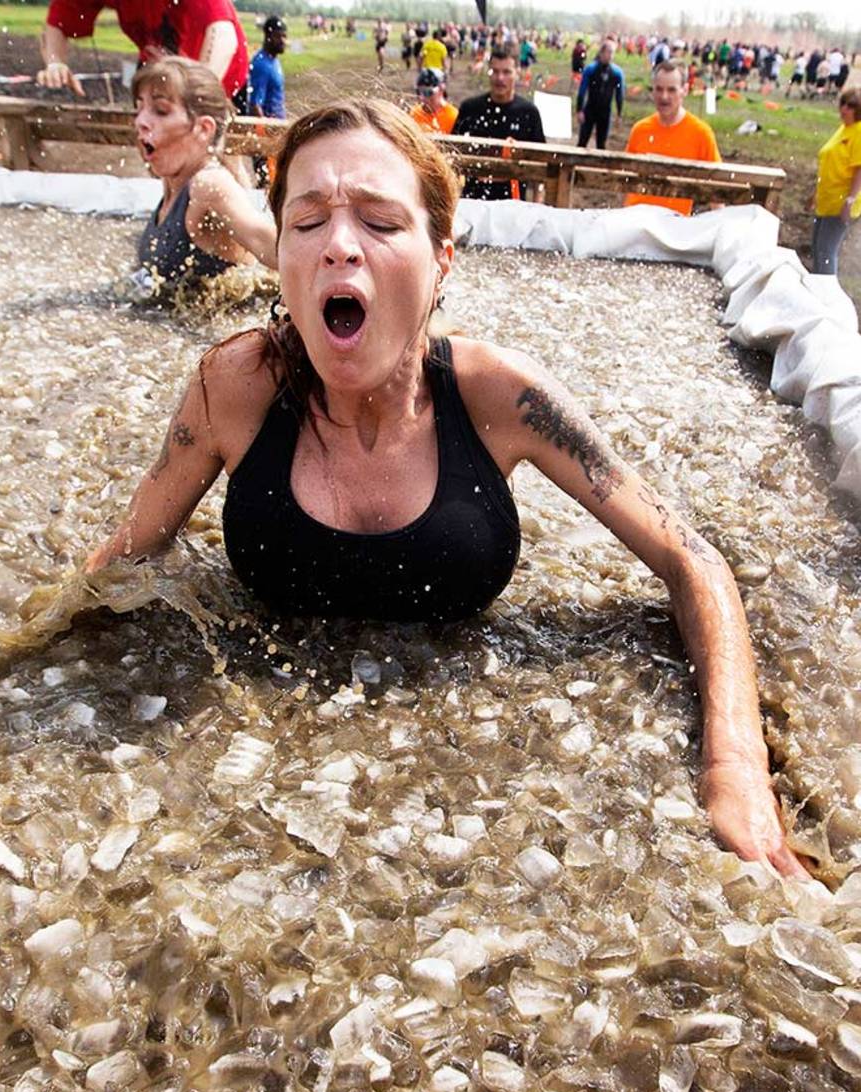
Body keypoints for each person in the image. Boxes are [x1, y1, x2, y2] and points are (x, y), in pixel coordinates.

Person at [86, 98, 809, 881]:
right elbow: (119, 562)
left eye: (380, 222)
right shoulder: (233, 386)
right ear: (281, 253)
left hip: (471, 840)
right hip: (250, 812)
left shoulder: (501, 396)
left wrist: (733, 768)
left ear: (441, 260)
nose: (338, 246)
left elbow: (691, 560)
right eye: (306, 222)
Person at [133, 57, 276, 290]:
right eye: (139, 109)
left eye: (160, 111)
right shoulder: (173, 183)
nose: (140, 121)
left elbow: (269, 244)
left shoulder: (209, 184)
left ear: (203, 128)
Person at [39, 0, 249, 110]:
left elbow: (223, 36)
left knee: (220, 156)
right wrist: (55, 62)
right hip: (157, 66)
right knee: (156, 148)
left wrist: (195, 95)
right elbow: (58, 22)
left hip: (218, 69)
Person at [624, 60, 721, 215]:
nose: (664, 96)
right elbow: (626, 181)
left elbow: (717, 190)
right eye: (659, 89)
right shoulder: (640, 130)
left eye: (671, 90)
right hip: (636, 221)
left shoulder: (701, 134)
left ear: (685, 90)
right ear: (652, 91)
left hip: (675, 228)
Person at [451, 44, 546, 202]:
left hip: (512, 204)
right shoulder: (470, 109)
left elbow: (541, 167)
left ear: (517, 73)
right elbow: (452, 159)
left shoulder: (529, 113)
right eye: (495, 71)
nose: (500, 78)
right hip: (473, 203)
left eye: (506, 72)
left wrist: (538, 207)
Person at [812, 88, 861, 276]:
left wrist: (850, 199)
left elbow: (859, 169)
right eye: (843, 103)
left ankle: (826, 292)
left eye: (851, 106)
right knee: (817, 247)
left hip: (842, 201)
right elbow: (829, 162)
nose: (845, 109)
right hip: (827, 198)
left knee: (826, 250)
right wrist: (815, 193)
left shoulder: (859, 132)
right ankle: (817, 288)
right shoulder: (843, 129)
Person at [576, 39, 624, 150]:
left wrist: (619, 114)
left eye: (612, 53)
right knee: (582, 141)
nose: (610, 55)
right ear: (601, 53)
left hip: (605, 112)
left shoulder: (617, 73)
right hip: (590, 110)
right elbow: (582, 90)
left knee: (601, 144)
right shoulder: (591, 69)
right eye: (608, 52)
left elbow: (619, 94)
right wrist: (579, 110)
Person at [247, 15, 286, 119]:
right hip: (270, 129)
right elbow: (255, 106)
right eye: (278, 36)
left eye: (284, 36)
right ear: (267, 37)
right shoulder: (262, 65)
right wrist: (266, 131)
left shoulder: (273, 60)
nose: (282, 41)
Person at [409, 68, 458, 135]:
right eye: (418, 92)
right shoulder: (415, 114)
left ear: (441, 88)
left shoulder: (453, 117)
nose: (422, 97)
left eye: (428, 92)